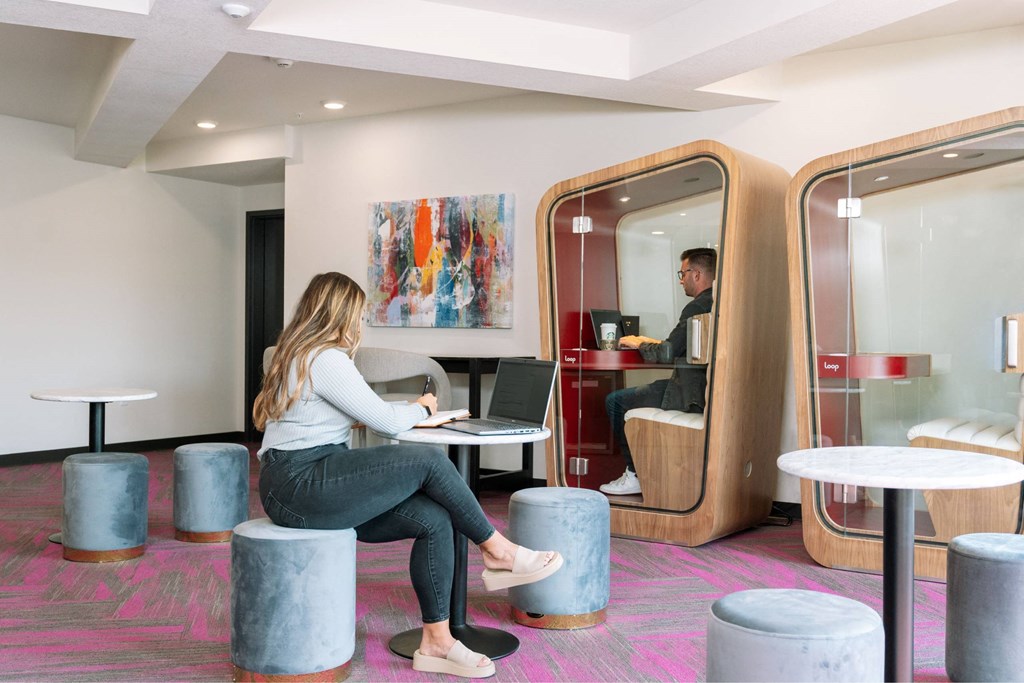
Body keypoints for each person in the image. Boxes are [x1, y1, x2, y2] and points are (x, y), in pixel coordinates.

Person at [254, 272, 562, 679]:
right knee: (429, 461)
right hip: (303, 481)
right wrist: (423, 408)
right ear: (343, 314)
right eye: (359, 314)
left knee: (433, 520)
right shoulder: (325, 358)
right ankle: (499, 550)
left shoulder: (301, 353)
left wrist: (403, 411)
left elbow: (362, 411)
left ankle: (437, 641)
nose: (359, 324)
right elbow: (384, 420)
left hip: (296, 483)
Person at [599, 247, 717, 496]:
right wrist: (647, 341)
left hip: (691, 394)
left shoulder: (697, 307)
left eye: (682, 273)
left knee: (615, 401)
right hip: (708, 390)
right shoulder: (722, 303)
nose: (681, 280)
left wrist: (637, 343)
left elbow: (667, 353)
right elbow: (678, 346)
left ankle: (635, 475)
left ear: (696, 274)